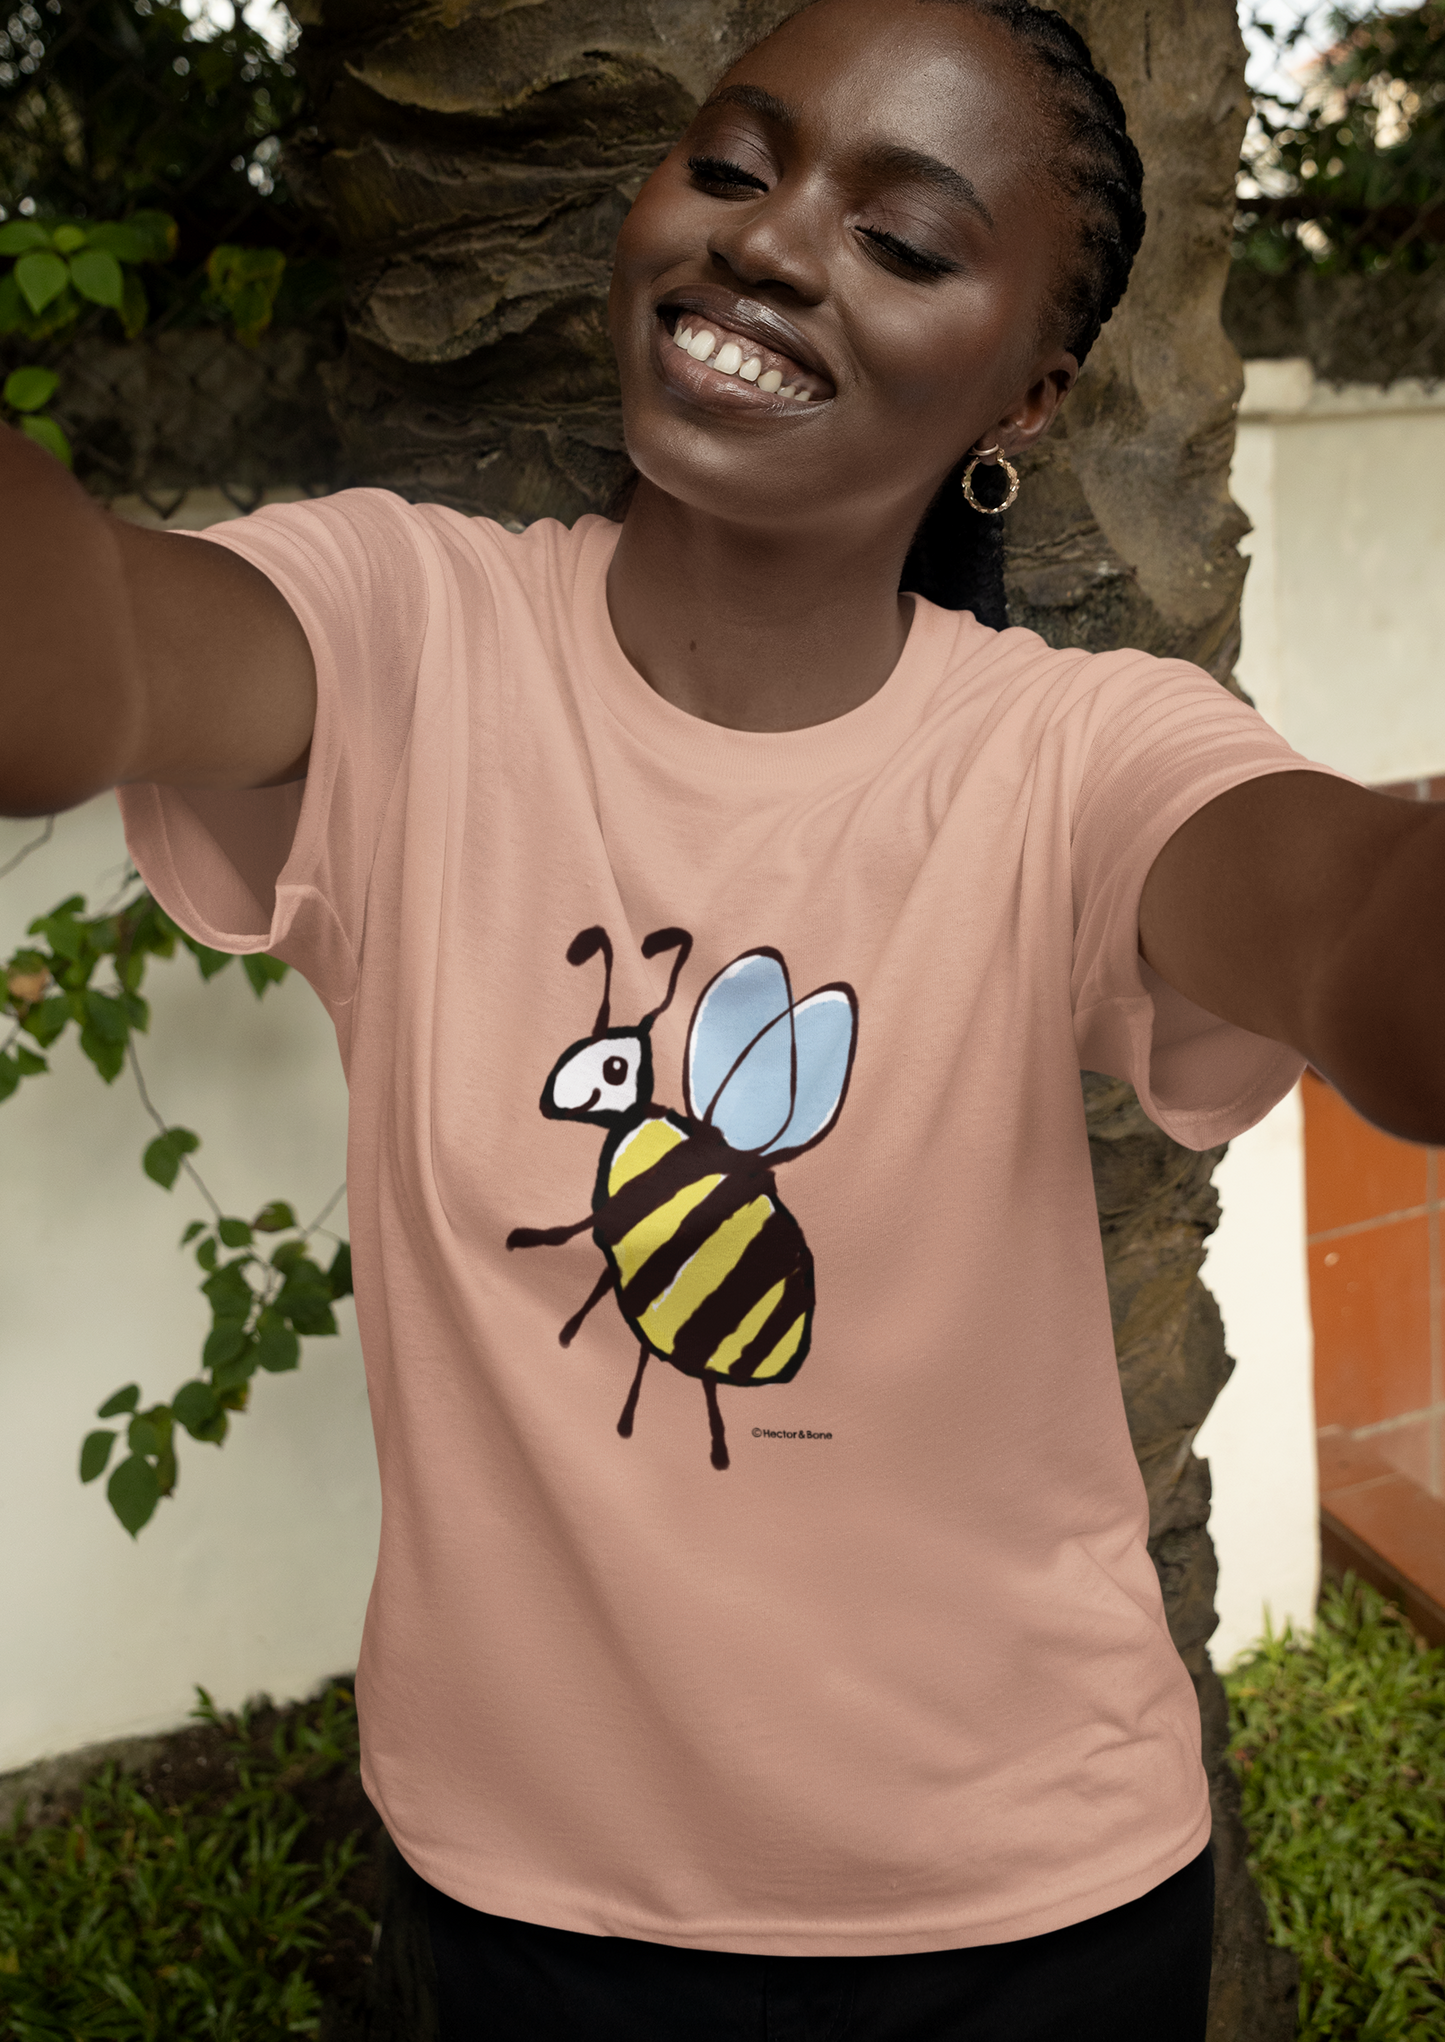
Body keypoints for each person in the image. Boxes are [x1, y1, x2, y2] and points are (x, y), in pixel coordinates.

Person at [3, 0, 1441, 2033]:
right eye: (735, 164)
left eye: (903, 240)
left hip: (1025, 1917)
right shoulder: (405, 638)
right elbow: (76, 662)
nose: (768, 240)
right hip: (528, 1906)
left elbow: (1354, 928)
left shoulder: (1078, 753)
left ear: (1026, 394)